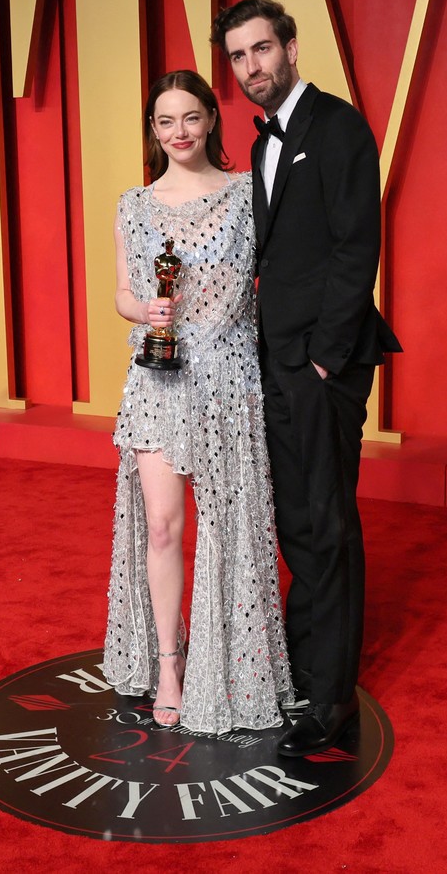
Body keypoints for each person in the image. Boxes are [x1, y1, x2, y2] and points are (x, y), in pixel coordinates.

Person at [212, 0, 401, 758]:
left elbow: (358, 245)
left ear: (289, 46)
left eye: (261, 49)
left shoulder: (339, 125)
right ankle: (300, 666)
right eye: (237, 57)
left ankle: (330, 699)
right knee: (294, 519)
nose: (251, 66)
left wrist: (323, 357)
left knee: (324, 521)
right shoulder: (256, 146)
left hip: (322, 364)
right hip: (273, 362)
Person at [101, 69, 294, 735]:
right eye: (164, 121)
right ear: (152, 132)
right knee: (161, 525)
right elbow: (124, 295)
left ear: (212, 119)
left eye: (189, 117)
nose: (177, 132)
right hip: (158, 376)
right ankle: (172, 663)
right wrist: (142, 306)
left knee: (227, 528)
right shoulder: (133, 203)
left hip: (229, 377)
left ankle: (231, 665)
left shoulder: (247, 195)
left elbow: (280, 277)